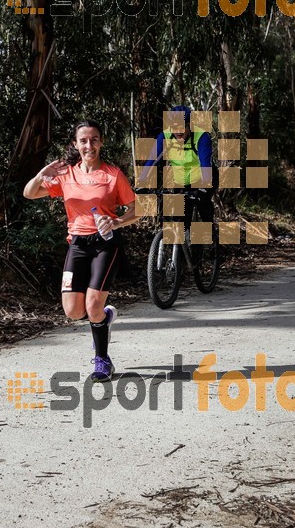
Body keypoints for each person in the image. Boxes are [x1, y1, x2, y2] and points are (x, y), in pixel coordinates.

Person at [23, 120, 138, 382]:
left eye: (94, 139)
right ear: (76, 144)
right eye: (84, 140)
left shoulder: (113, 175)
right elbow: (29, 193)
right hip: (77, 245)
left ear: (101, 142)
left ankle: (102, 360)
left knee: (93, 305)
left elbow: (136, 210)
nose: (89, 145)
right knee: (73, 311)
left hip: (105, 244)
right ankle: (105, 318)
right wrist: (43, 173)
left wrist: (117, 221)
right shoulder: (66, 175)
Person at [140, 105, 214, 227]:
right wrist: (142, 182)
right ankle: (182, 242)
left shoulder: (201, 137)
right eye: (174, 127)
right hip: (181, 181)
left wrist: (204, 186)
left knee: (203, 206)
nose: (178, 131)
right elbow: (152, 160)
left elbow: (205, 164)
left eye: (182, 127)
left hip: (202, 179)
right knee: (181, 217)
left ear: (189, 125)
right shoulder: (165, 136)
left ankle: (211, 239)